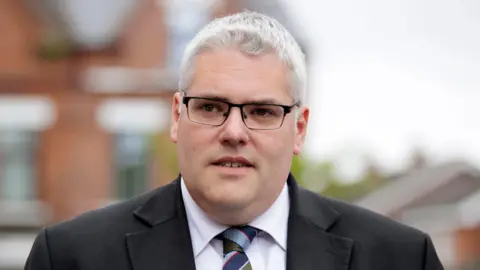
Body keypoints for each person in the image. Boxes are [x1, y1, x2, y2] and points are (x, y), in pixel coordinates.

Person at [25, 11, 444, 270]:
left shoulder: (401, 258)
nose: (233, 132)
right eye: (210, 108)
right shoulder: (70, 258)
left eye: (262, 112)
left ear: (298, 129)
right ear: (176, 117)